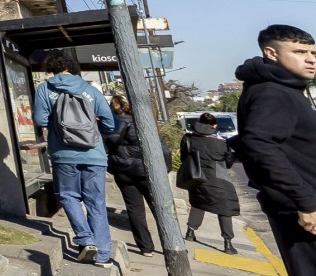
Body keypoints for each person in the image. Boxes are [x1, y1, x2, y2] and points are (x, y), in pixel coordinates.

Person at [236, 24, 316, 276]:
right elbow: (259, 142)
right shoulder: (273, 92)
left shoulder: (283, 89)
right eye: (300, 53)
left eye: (313, 53)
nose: (311, 60)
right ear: (272, 53)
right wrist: (306, 203)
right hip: (304, 213)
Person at [32, 49, 118, 265]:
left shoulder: (45, 89)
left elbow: (40, 119)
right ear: (72, 67)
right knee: (96, 203)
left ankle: (85, 238)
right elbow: (110, 123)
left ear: (51, 68)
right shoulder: (91, 91)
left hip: (63, 154)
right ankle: (103, 255)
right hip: (94, 154)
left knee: (69, 196)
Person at [104, 94, 169, 257]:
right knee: (159, 207)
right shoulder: (146, 124)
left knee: (135, 209)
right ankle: (171, 243)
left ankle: (146, 247)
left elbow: (108, 144)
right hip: (147, 171)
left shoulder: (115, 123)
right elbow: (163, 149)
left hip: (124, 170)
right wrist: (165, 169)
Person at [181, 111, 240, 254]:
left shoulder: (188, 139)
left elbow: (184, 158)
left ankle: (190, 232)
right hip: (219, 179)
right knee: (225, 209)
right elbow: (228, 163)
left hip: (196, 178)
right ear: (214, 126)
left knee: (198, 203)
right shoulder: (221, 143)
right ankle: (227, 243)